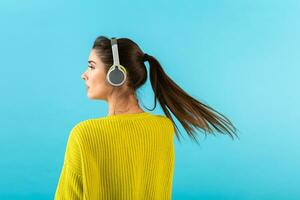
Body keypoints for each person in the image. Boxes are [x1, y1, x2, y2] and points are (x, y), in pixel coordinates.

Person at [54, 36, 239, 200]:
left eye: (92, 66)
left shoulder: (84, 134)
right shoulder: (164, 129)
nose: (83, 75)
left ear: (116, 74)